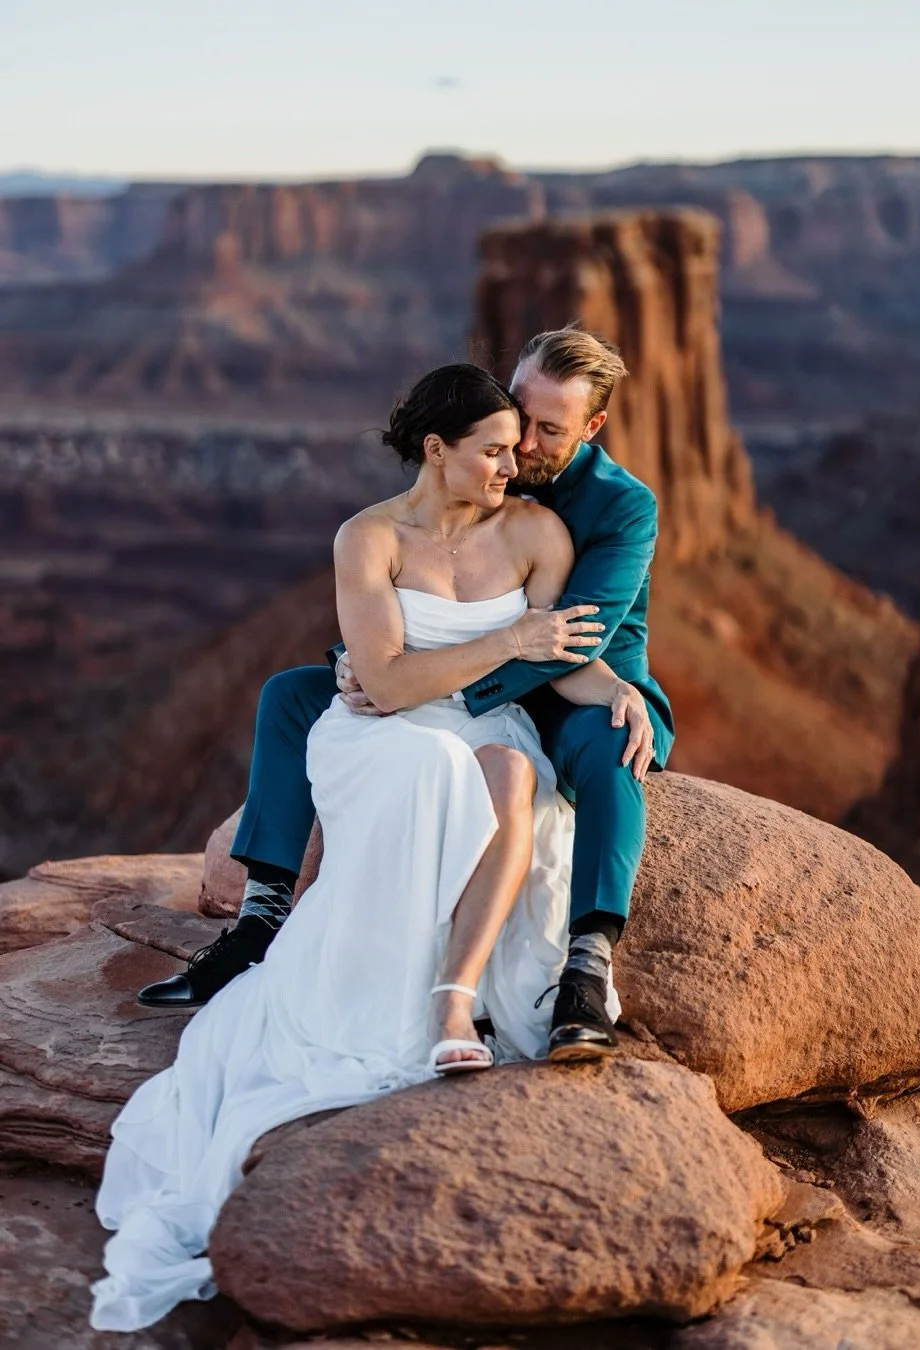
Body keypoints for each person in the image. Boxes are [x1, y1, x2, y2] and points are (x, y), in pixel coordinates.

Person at [92, 362, 648, 1331]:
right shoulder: (369, 536)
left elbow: (563, 656)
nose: (514, 465)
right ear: (438, 450)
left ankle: (454, 1000)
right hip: (380, 728)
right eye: (495, 450)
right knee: (424, 766)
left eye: (523, 447)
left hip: (486, 723)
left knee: (511, 777)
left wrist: (620, 694)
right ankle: (290, 934)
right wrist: (503, 645)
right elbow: (384, 684)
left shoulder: (540, 532)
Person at [137, 327, 674, 1060]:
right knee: (291, 696)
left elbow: (570, 639)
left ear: (592, 427)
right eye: (519, 419)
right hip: (454, 675)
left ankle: (585, 965)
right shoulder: (480, 461)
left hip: (573, 684)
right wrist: (362, 663)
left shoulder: (618, 508)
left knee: (615, 745)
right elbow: (408, 579)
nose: (524, 449)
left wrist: (418, 684)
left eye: (549, 431)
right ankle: (260, 921)